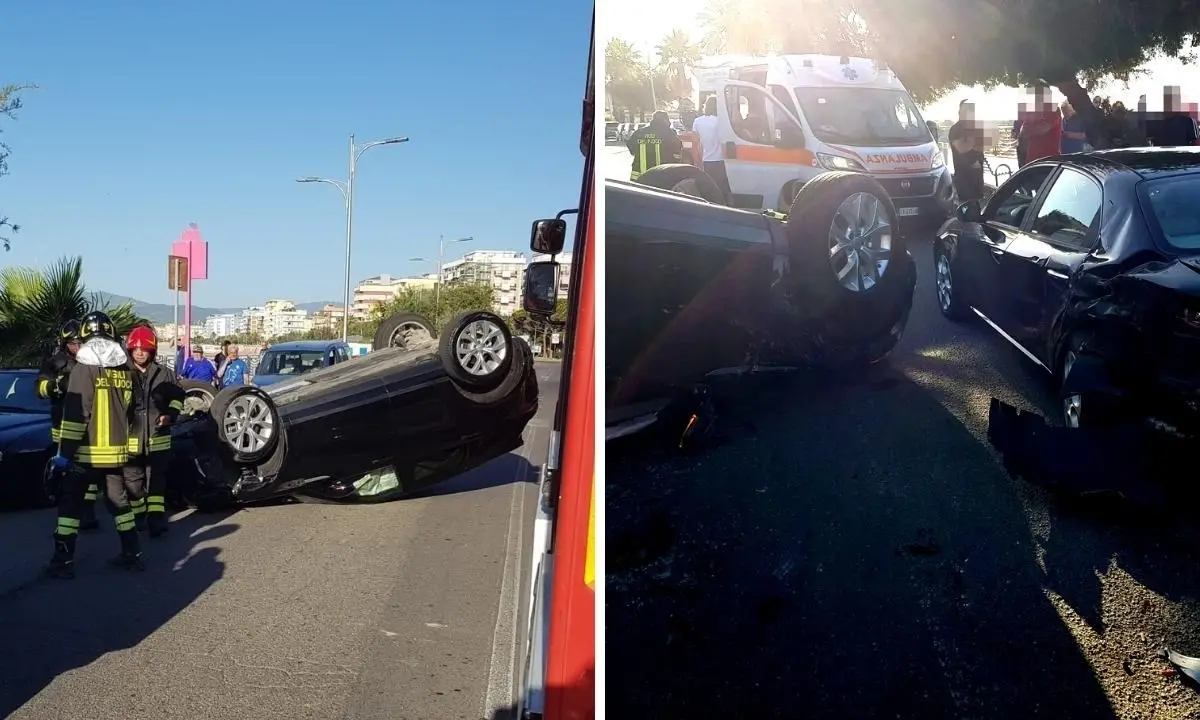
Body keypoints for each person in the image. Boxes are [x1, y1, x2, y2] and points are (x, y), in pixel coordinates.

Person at [47, 311, 143, 578]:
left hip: (86, 455)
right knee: (119, 504)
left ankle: (62, 562)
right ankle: (132, 553)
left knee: (70, 508)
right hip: (116, 455)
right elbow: (133, 413)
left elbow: (77, 416)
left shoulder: (83, 369)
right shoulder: (126, 371)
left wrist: (64, 454)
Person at [37, 319, 101, 531]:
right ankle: (64, 506)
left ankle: (88, 512)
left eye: (80, 342)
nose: (77, 347)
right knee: (65, 468)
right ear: (65, 344)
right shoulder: (54, 363)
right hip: (62, 425)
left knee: (88, 469)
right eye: (73, 343)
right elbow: (40, 390)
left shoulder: (94, 363)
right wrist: (58, 384)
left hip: (89, 425)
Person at [124, 326, 185, 538]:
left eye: (144, 349)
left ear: (153, 351)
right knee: (132, 480)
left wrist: (170, 415)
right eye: (136, 349)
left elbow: (178, 397)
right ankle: (139, 514)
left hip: (158, 437)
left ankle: (157, 520)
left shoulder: (165, 373)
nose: (140, 353)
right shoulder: (121, 373)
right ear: (130, 350)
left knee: (157, 481)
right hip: (130, 437)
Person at [691, 96, 731, 202]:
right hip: (722, 161)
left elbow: (695, 145)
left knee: (709, 190)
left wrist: (697, 162)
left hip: (706, 161)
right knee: (723, 190)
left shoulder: (697, 121)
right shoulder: (721, 121)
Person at [626, 111, 682, 181]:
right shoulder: (668, 132)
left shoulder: (639, 132)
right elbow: (677, 149)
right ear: (665, 120)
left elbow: (630, 145)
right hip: (662, 175)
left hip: (640, 175)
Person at [948, 100, 986, 202]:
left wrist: (971, 142)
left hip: (978, 175)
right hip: (964, 176)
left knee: (979, 203)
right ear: (960, 112)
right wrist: (974, 142)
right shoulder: (955, 129)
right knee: (966, 205)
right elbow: (961, 148)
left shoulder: (975, 127)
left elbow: (982, 146)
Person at [1019, 87, 1062, 164]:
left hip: (1049, 161)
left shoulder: (1054, 110)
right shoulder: (1032, 111)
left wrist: (1031, 130)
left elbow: (1043, 129)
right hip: (1031, 161)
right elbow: (1022, 132)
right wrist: (1036, 129)